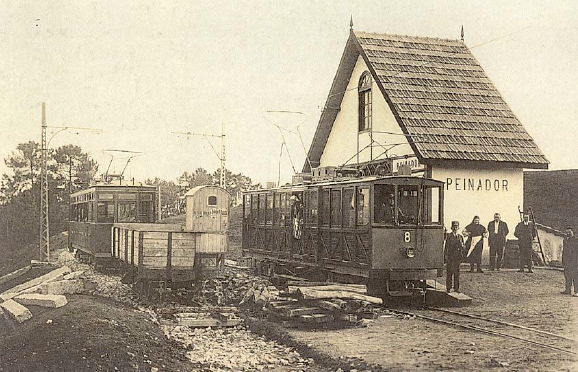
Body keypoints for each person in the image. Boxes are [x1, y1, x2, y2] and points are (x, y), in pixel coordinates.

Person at [444, 221, 465, 293]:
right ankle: (448, 288)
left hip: (457, 258)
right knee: (449, 273)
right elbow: (446, 247)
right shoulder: (449, 236)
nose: (455, 228)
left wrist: (462, 247)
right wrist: (446, 257)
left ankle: (456, 288)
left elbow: (463, 247)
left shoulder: (460, 237)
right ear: (452, 228)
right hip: (450, 258)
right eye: (454, 227)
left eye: (456, 227)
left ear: (458, 228)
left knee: (457, 274)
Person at [561, 227, 578, 296]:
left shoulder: (576, 240)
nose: (568, 234)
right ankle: (567, 290)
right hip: (566, 261)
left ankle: (576, 291)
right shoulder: (565, 240)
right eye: (567, 232)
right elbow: (564, 251)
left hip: (574, 261)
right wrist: (563, 260)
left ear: (572, 232)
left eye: (569, 232)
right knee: (567, 276)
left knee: (575, 276)